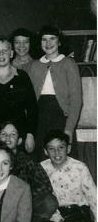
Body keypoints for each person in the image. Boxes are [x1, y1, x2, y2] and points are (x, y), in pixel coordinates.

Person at [0, 36, 38, 153]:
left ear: (11, 53)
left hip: (17, 136)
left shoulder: (22, 77)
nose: (1, 54)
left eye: (5, 50)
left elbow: (32, 108)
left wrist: (30, 134)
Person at [0, 120, 58, 222]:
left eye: (13, 134)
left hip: (24, 210)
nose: (8, 138)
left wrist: (24, 198)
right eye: (4, 134)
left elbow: (45, 186)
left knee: (50, 202)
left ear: (19, 140)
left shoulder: (27, 161)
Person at [29, 25, 82, 161]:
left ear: (59, 42)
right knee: (41, 158)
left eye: (52, 39)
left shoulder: (69, 64)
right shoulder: (34, 65)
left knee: (61, 158)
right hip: (39, 118)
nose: (48, 43)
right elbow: (29, 99)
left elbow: (76, 100)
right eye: (44, 39)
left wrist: (69, 129)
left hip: (60, 118)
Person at [41, 130, 96, 222]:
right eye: (51, 149)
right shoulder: (41, 169)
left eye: (61, 147)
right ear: (45, 151)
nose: (57, 153)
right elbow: (42, 199)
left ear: (69, 148)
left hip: (78, 214)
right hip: (54, 215)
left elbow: (94, 198)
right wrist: (59, 221)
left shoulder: (80, 168)